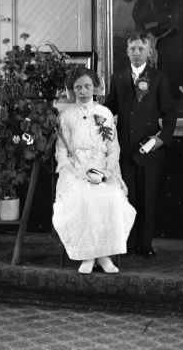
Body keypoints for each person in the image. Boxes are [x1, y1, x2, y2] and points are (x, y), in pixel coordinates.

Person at [52, 67, 136, 274]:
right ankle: (88, 256)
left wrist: (108, 170)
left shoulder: (104, 113)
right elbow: (61, 152)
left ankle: (104, 256)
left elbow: (113, 147)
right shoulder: (66, 115)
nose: (83, 91)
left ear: (94, 87)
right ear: (72, 90)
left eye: (87, 86)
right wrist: (76, 171)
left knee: (113, 197)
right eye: (78, 87)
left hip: (102, 170)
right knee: (81, 198)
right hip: (75, 171)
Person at [105, 32, 177, 258]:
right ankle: (127, 242)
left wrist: (161, 138)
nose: (136, 53)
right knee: (128, 198)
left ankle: (145, 244)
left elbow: (170, 113)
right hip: (125, 149)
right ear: (127, 52)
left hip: (149, 148)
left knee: (148, 198)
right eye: (132, 49)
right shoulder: (118, 77)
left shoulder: (159, 78)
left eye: (141, 49)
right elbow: (109, 110)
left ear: (149, 52)